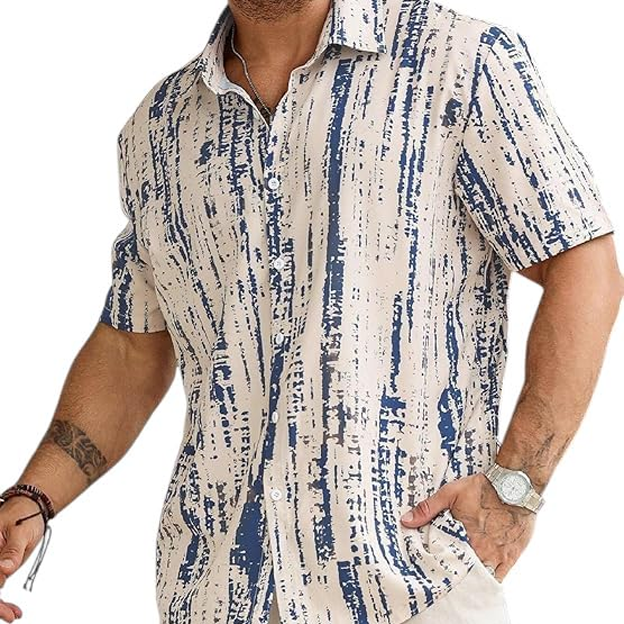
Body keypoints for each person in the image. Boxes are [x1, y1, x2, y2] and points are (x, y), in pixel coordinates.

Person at [1, 0, 622, 622]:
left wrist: (516, 486)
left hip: (411, 583)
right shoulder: (158, 129)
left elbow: (582, 264)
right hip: (217, 590)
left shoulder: (457, 62)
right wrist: (32, 499)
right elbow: (132, 345)